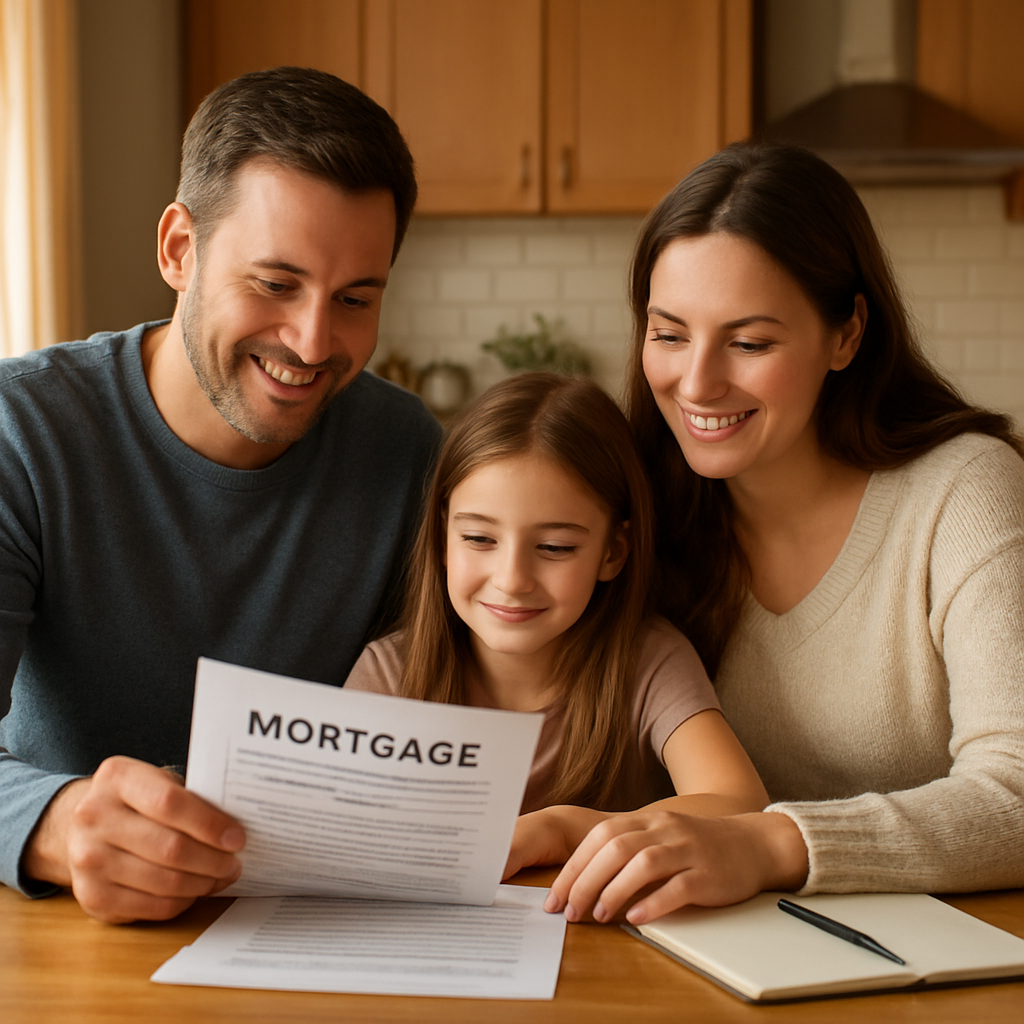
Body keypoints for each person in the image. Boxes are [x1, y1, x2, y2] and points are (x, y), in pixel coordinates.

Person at [540, 141, 1024, 927]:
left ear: (846, 334)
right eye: (668, 334)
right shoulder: (638, 512)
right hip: (708, 950)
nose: (696, 384)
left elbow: (1016, 794)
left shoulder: (965, 491)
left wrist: (768, 845)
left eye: (750, 342)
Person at [0, 67, 441, 924]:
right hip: (63, 937)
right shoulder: (22, 433)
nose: (313, 342)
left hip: (311, 928)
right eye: (275, 284)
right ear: (178, 249)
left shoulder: (406, 452)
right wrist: (53, 824)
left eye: (355, 299)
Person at [344, 372, 768, 873]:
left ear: (612, 552)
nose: (512, 579)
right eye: (479, 539)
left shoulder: (648, 659)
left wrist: (562, 829)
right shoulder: (391, 674)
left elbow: (741, 803)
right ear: (442, 538)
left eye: (555, 548)